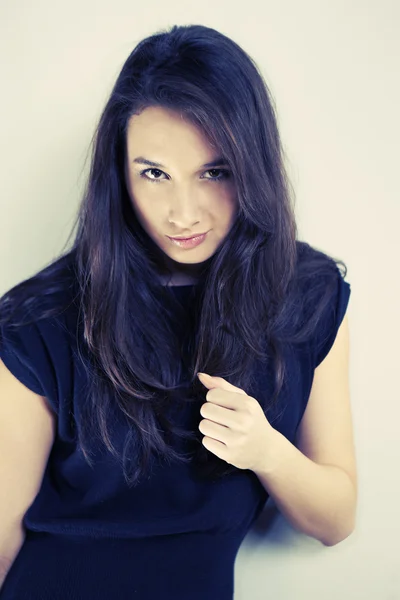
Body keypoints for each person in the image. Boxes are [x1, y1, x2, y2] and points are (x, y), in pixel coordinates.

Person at [0, 23, 356, 599]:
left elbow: (335, 521)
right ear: (119, 172)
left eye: (213, 172)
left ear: (251, 166)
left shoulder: (306, 296)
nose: (182, 213)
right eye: (155, 174)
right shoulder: (38, 320)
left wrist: (265, 450)